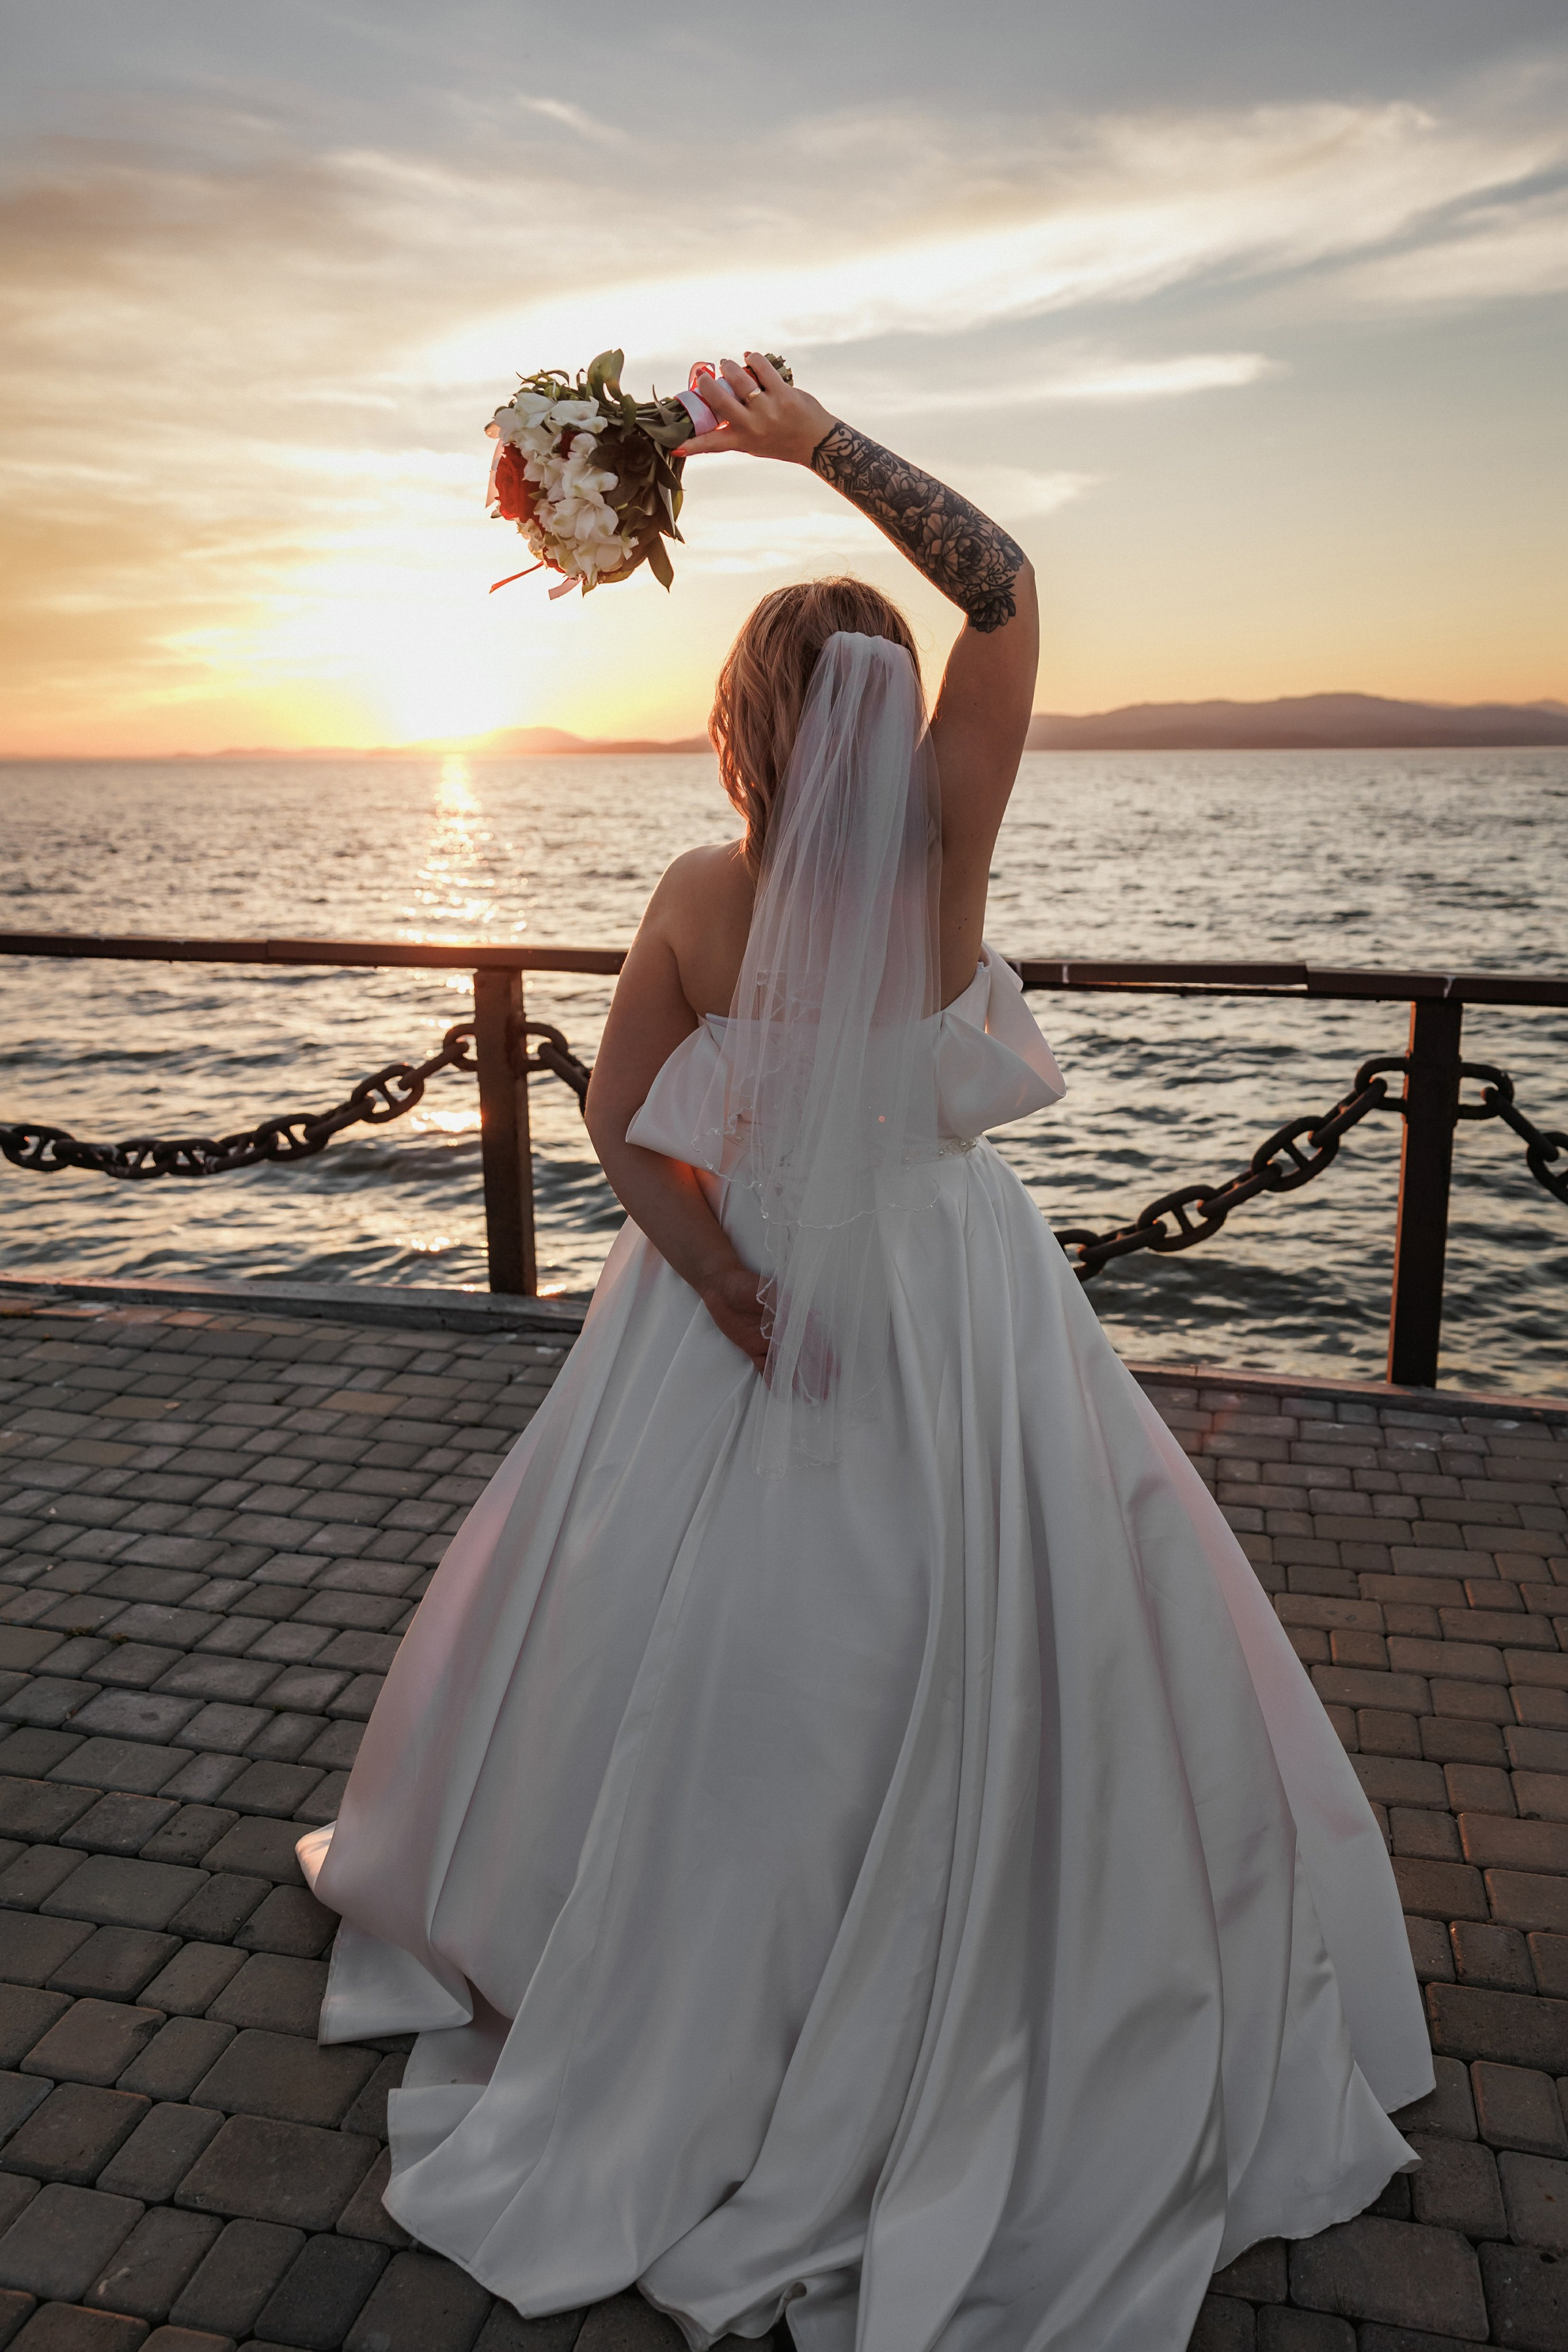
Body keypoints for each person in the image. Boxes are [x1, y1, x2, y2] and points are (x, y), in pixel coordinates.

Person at [299, 356, 1432, 2352]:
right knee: (1012, 1632)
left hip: (736, 1304)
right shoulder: (942, 864)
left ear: (737, 727)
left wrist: (733, 1294)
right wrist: (813, 445)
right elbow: (1001, 586)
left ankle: (654, 1974)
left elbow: (625, 1123)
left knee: (666, 1654)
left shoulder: (693, 899)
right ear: (895, 723)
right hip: (954, 1304)